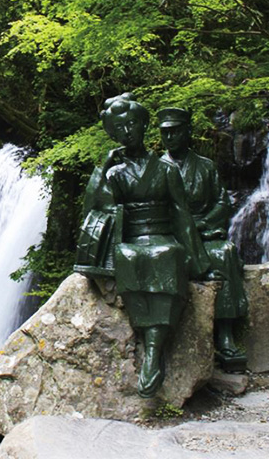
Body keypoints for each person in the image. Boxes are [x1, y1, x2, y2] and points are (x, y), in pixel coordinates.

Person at [78, 93, 213, 397]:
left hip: (163, 236)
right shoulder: (114, 172)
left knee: (167, 254)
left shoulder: (166, 169)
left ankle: (153, 350)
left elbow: (181, 214)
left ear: (142, 125)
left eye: (132, 125)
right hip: (132, 237)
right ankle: (149, 339)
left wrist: (198, 260)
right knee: (128, 256)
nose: (128, 133)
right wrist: (102, 168)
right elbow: (94, 208)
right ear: (113, 134)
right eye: (119, 128)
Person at [158, 107, 248, 371]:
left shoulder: (206, 167)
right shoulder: (156, 168)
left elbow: (222, 202)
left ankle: (226, 335)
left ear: (188, 132)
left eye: (175, 131)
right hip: (172, 236)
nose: (170, 137)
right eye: (165, 132)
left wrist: (203, 224)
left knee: (224, 253)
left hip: (204, 234)